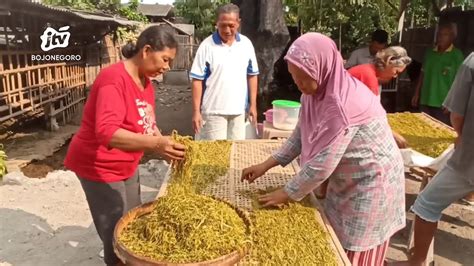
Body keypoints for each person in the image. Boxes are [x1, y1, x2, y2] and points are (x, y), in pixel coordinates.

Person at [242, 33, 405, 266]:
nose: (298, 84)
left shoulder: (341, 104)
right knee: (339, 239)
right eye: (294, 77)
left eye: (302, 78)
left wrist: (286, 193)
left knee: (356, 250)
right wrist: (266, 165)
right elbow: (299, 137)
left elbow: (322, 164)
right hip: (348, 178)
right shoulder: (314, 93)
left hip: (372, 184)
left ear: (321, 69)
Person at [64, 25, 186, 266]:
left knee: (132, 224)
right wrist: (156, 144)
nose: (167, 67)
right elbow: (106, 133)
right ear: (146, 50)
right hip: (99, 166)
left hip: (127, 165)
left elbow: (148, 124)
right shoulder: (113, 79)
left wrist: (167, 147)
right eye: (165, 59)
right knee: (116, 236)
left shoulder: (146, 83)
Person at [396, 53, 474, 266]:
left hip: (469, 158)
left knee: (426, 205)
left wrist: (461, 137)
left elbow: (456, 115)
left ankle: (418, 261)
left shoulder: (471, 62)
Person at [190, 3, 259, 140]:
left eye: (231, 25)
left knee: (235, 153)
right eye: (223, 25)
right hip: (213, 112)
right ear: (216, 23)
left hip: (239, 111)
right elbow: (196, 80)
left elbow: (252, 75)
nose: (227, 30)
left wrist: (253, 105)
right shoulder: (206, 46)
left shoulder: (246, 45)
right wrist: (196, 111)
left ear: (238, 23)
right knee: (213, 156)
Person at [411, 23, 464, 125]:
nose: (440, 37)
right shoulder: (430, 52)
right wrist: (416, 93)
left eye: (445, 35)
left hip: (443, 103)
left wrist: (453, 102)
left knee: (440, 132)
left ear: (452, 37)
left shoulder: (457, 55)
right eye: (439, 34)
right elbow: (423, 73)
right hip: (425, 99)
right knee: (422, 129)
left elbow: (460, 81)